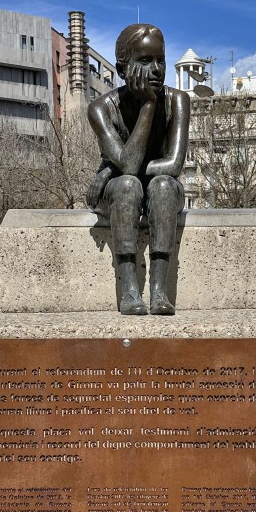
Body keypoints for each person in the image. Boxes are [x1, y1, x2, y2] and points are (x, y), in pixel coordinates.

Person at [87, 24, 190, 315]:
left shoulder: (177, 101)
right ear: (123, 70)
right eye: (145, 61)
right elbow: (128, 168)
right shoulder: (102, 108)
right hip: (122, 192)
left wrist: (109, 169)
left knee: (162, 186)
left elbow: (173, 164)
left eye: (161, 60)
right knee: (127, 185)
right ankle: (129, 290)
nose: (156, 69)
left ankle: (159, 291)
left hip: (161, 188)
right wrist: (147, 106)